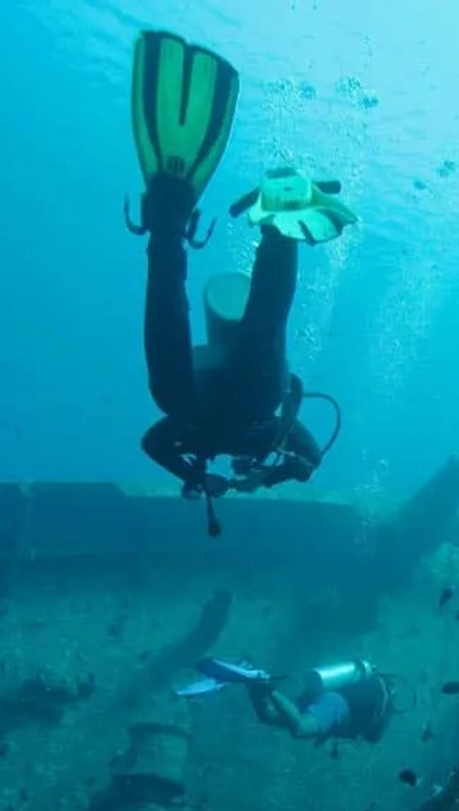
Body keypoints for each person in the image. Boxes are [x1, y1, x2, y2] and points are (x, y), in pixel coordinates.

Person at [125, 30, 354, 508]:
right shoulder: (270, 434)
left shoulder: (240, 431)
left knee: (245, 342)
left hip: (213, 394)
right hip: (237, 395)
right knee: (234, 344)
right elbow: (309, 459)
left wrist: (195, 475)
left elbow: (152, 444)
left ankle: (195, 224)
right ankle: (242, 230)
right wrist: (262, 478)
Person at [176, 657, 396, 743]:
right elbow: (371, 736)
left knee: (269, 715)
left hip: (320, 697)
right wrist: (272, 690)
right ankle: (264, 684)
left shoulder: (372, 693)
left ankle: (255, 683)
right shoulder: (379, 713)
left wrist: (261, 692)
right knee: (299, 728)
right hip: (336, 706)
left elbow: (270, 716)